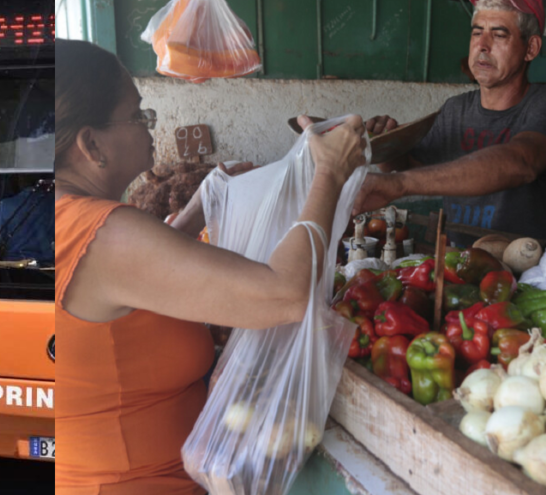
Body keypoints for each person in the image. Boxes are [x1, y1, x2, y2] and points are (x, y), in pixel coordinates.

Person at [54, 39, 366, 494]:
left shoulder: (69, 218)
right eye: (138, 115)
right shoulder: (104, 234)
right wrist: (329, 175)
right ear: (91, 144)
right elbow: (285, 294)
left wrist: (198, 210)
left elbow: (139, 275)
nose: (148, 128)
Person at [357, 0, 546, 240]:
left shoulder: (539, 104)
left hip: (526, 275)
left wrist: (398, 186)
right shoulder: (455, 110)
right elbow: (406, 165)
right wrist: (384, 142)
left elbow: (522, 162)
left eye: (499, 34)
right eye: (477, 32)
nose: (482, 45)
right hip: (457, 268)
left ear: (531, 48)